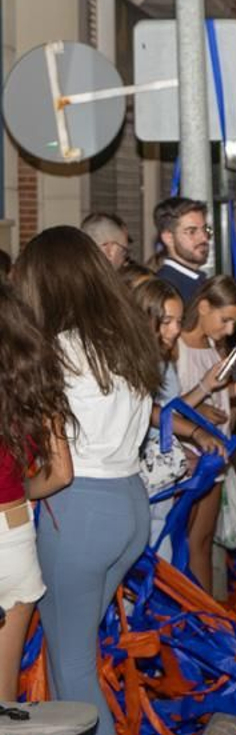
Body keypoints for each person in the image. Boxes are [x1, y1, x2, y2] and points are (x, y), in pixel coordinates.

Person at [14, 227, 166, 735]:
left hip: (79, 510)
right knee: (76, 658)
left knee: (71, 668)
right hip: (128, 504)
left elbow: (57, 471)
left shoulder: (56, 350)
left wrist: (18, 491)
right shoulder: (127, 343)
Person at [0, 283, 74, 703]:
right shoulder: (35, 385)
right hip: (14, 539)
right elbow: (61, 472)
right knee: (4, 702)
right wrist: (17, 491)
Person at [126, 276, 230, 556]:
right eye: (166, 321)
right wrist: (194, 433)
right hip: (140, 470)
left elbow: (169, 408)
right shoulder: (131, 360)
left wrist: (206, 386)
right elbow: (149, 411)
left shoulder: (162, 355)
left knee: (166, 546)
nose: (175, 329)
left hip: (162, 466)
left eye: (179, 320)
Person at [176, 275, 236, 595]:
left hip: (216, 457)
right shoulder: (178, 346)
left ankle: (208, 614)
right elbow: (166, 405)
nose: (229, 330)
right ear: (202, 307)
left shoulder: (214, 346)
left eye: (234, 323)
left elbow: (220, 394)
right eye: (225, 319)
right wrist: (199, 411)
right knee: (181, 541)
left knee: (202, 540)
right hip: (187, 457)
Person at [153, 196, 210, 304]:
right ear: (168, 238)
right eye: (191, 232)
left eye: (205, 229)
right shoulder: (166, 290)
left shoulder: (197, 281)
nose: (204, 238)